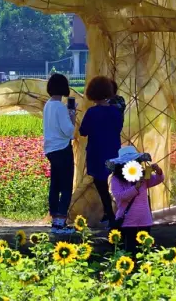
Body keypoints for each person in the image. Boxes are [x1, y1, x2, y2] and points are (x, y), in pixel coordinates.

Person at [79, 76, 124, 227]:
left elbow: (83, 131)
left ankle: (109, 214)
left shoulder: (91, 112)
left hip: (96, 152)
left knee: (101, 185)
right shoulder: (116, 112)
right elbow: (118, 128)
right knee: (118, 183)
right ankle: (117, 214)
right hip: (113, 151)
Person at [108, 145, 165, 254]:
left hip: (145, 220)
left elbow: (159, 179)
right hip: (128, 222)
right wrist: (136, 188)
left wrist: (158, 170)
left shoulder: (142, 175)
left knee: (145, 253)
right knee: (130, 252)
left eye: (135, 161)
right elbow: (120, 197)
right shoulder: (116, 179)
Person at [43, 73, 77, 234]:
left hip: (50, 149)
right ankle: (60, 223)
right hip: (62, 148)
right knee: (66, 186)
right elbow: (69, 132)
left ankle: (55, 219)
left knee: (55, 185)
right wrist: (73, 118)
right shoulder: (60, 107)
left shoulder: (48, 105)